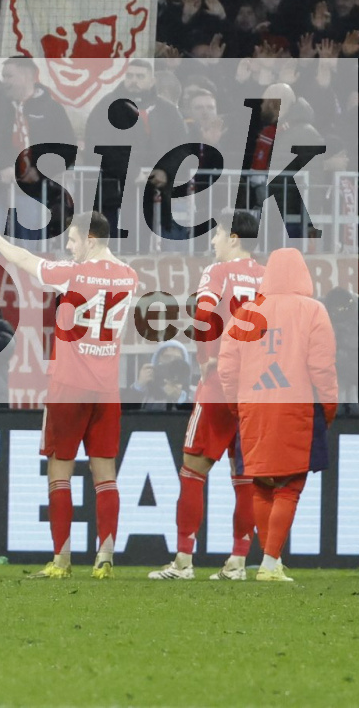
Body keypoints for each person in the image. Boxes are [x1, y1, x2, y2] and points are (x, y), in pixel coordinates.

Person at [0, 215, 139, 579]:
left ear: (91, 239)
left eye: (73, 240)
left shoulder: (73, 274)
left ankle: (62, 560)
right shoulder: (129, 277)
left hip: (69, 385)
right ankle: (105, 557)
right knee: (105, 473)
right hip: (106, 388)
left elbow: (25, 260)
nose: (68, 246)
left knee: (59, 469)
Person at [149, 212, 265, 580]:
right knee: (244, 476)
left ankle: (184, 561)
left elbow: (203, 313)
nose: (213, 242)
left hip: (219, 384)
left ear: (233, 238)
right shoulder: (267, 277)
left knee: (193, 470)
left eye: (216, 235)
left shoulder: (219, 272)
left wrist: (205, 358)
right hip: (255, 388)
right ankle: (238, 562)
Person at [221, 248, 339, 582]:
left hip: (253, 407)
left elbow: (226, 368)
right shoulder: (313, 311)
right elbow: (322, 368)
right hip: (296, 407)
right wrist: (328, 408)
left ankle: (270, 560)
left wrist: (237, 406)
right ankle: (271, 563)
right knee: (290, 485)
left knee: (261, 485)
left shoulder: (246, 311)